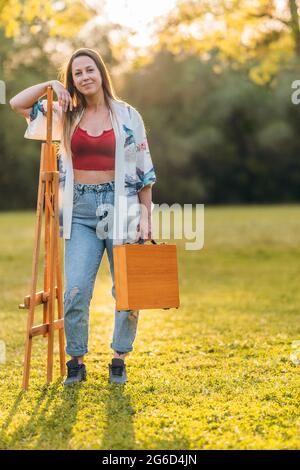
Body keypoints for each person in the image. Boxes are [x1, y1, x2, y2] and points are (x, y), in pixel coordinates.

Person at [9, 47, 157, 385]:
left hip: (122, 205)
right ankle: (76, 359)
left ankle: (119, 357)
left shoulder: (127, 115)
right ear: (72, 80)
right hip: (79, 210)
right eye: (77, 73)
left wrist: (147, 217)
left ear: (101, 73)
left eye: (89, 70)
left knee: (128, 290)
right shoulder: (66, 112)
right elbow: (17, 103)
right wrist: (49, 83)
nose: (85, 77)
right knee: (75, 288)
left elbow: (143, 170)